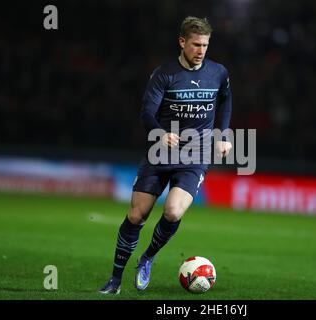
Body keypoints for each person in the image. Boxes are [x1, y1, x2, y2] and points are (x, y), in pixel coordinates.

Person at [99, 16, 232, 294]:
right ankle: (114, 280)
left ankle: (147, 258)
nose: (201, 51)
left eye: (205, 45)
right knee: (136, 216)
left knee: (172, 211)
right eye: (196, 44)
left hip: (195, 154)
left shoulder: (218, 72)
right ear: (182, 42)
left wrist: (222, 134)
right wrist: (160, 132)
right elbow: (146, 112)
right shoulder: (164, 73)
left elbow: (226, 101)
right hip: (161, 152)